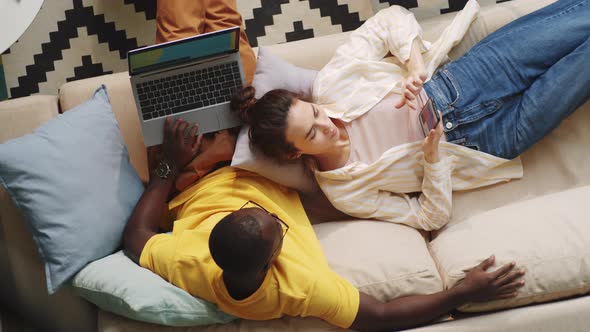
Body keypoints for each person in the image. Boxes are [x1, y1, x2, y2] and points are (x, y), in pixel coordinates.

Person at [123, 1, 526, 331]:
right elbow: (381, 317)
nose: (269, 211)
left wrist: (170, 167)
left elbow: (136, 235)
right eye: (274, 222)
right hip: (252, 155)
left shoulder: (188, 263)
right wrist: (461, 293)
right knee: (223, 25)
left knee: (182, 33)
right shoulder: (295, 287)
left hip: (188, 170)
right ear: (271, 261)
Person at [234, 0, 590, 231]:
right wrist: (433, 162)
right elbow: (428, 217)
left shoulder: (331, 85)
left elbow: (389, 19)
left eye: (314, 112)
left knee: (579, 17)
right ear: (295, 153)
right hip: (490, 141)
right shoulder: (346, 192)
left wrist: (414, 68)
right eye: (312, 133)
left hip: (466, 81)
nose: (327, 124)